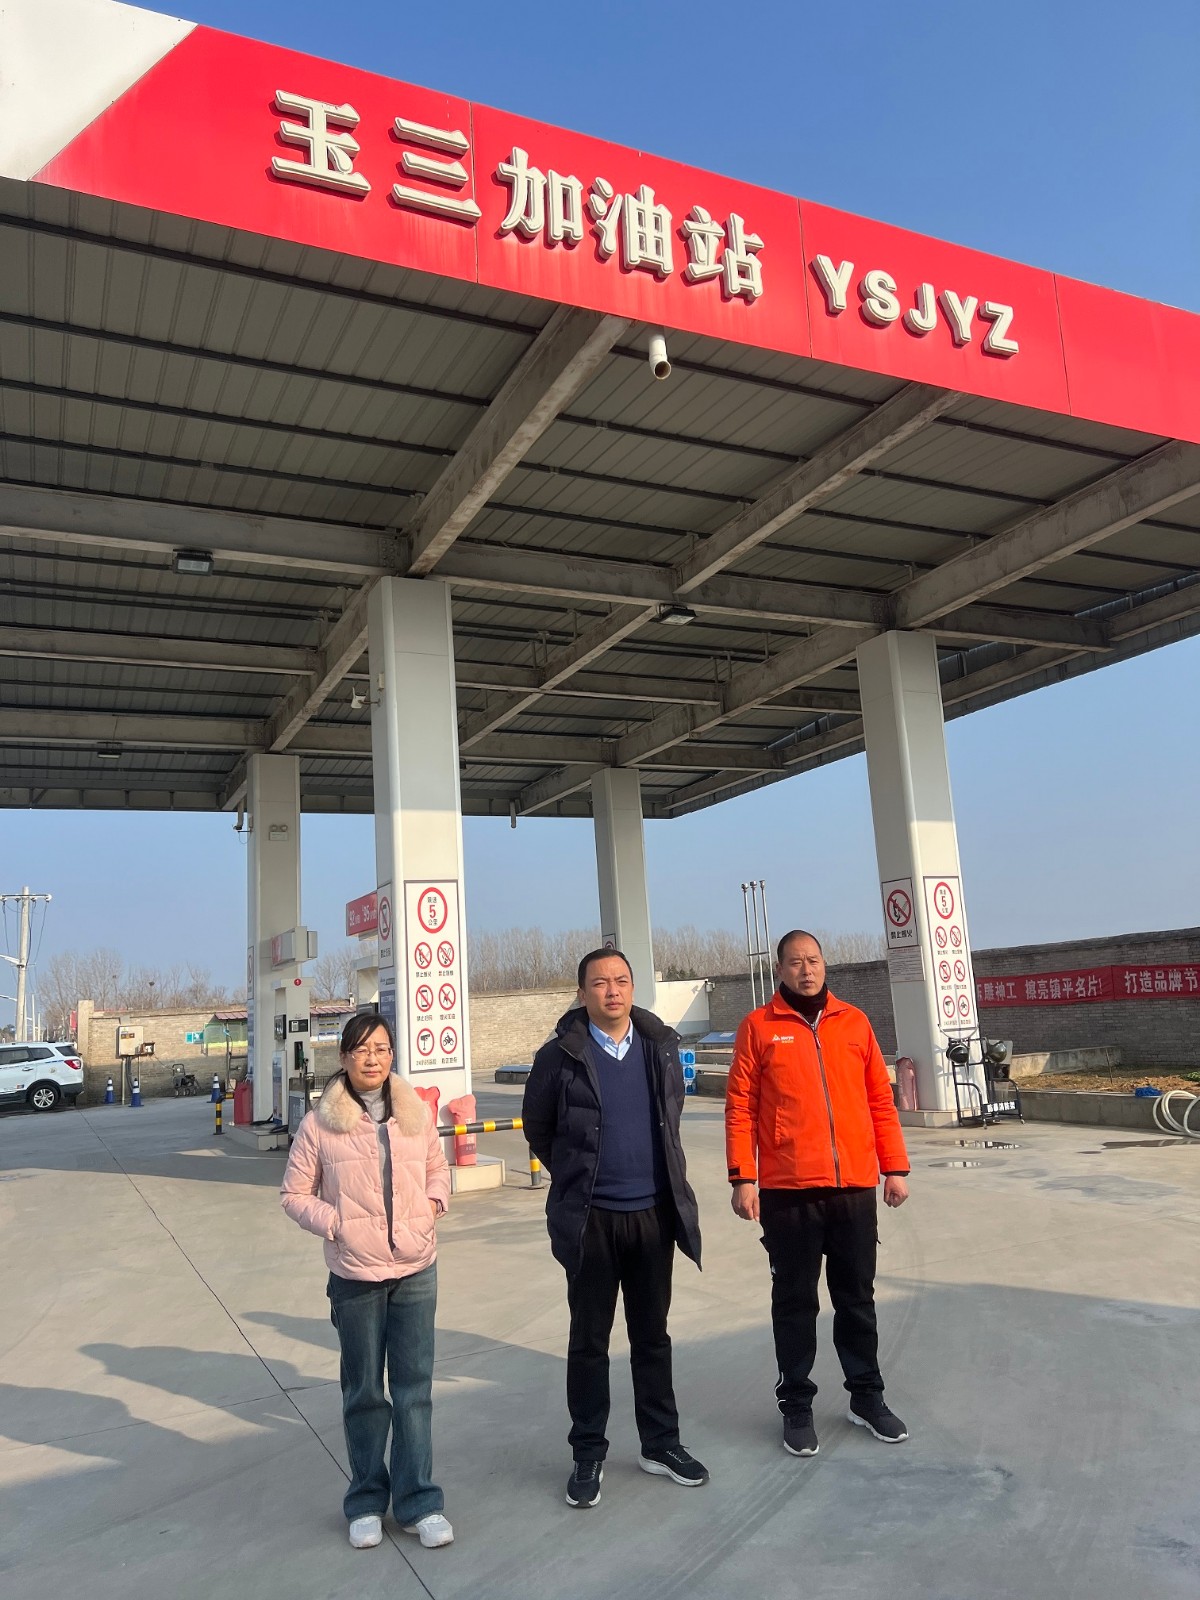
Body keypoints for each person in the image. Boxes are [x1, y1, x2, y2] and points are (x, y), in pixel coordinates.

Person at [522, 949, 707, 1509]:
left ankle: (661, 1443)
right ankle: (588, 1453)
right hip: (592, 1220)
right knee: (589, 1342)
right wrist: (577, 1176)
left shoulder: (658, 1047)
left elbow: (670, 1117)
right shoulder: (559, 1056)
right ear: (582, 994)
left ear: (632, 988)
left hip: (652, 1215)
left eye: (621, 981)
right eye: (600, 983)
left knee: (652, 1336)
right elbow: (538, 1127)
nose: (612, 991)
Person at [725, 930, 911, 1458]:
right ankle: (796, 1405)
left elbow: (879, 1100)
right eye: (795, 962)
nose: (806, 970)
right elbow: (740, 1106)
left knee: (857, 1299)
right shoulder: (759, 1027)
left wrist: (894, 1168)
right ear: (779, 970)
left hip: (853, 1187)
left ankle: (867, 1397)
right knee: (795, 1302)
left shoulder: (854, 1022)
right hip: (789, 1191)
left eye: (813, 960)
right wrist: (743, 1177)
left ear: (825, 965)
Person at [280, 1012, 454, 1551]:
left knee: (414, 1391)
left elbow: (437, 1168)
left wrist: (433, 1205)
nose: (372, 1058)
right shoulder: (320, 1124)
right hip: (355, 1275)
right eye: (361, 1050)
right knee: (364, 1393)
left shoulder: (415, 1111)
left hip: (415, 1268)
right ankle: (366, 1502)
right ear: (344, 1058)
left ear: (392, 1054)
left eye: (380, 1048)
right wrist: (336, 1224)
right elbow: (293, 1194)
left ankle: (419, 1501)